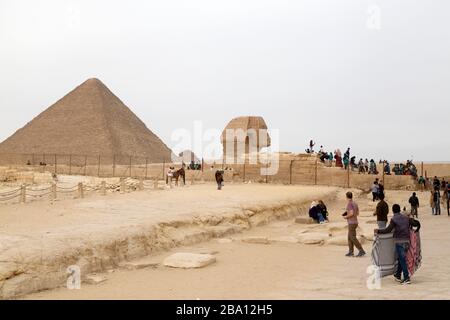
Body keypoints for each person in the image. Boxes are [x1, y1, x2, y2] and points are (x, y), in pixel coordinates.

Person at [375, 204, 421, 284]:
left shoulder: (394, 219)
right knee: (401, 258)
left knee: (402, 260)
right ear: (399, 210)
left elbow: (388, 230)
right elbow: (415, 223)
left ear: (393, 210)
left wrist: (378, 231)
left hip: (399, 242)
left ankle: (406, 278)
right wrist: (417, 229)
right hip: (407, 242)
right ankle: (398, 275)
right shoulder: (406, 218)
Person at [343, 191, 365, 257]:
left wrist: (346, 216)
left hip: (351, 223)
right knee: (349, 237)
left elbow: (351, 213)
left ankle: (361, 250)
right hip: (355, 222)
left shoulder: (349, 204)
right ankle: (351, 251)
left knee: (352, 238)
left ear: (346, 196)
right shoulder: (355, 203)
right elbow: (357, 213)